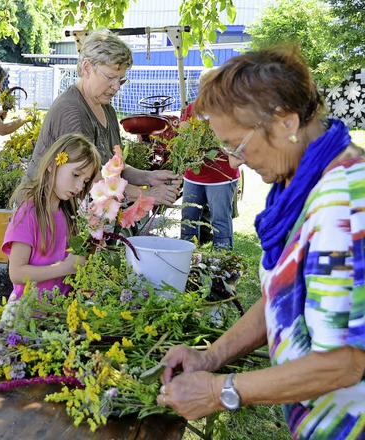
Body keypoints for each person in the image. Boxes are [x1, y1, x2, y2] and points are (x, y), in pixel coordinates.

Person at [157, 46, 365, 440]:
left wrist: (222, 391)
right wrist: (210, 357)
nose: (234, 164)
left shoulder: (346, 202)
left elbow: (343, 363)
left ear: (285, 121)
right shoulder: (301, 182)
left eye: (236, 145)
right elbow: (281, 295)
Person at [24, 29, 181, 206]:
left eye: (121, 80)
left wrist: (149, 178)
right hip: (43, 212)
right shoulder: (71, 111)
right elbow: (91, 180)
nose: (116, 87)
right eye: (110, 78)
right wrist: (147, 194)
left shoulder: (107, 109)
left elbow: (115, 167)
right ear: (87, 68)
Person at [3, 133, 101, 301]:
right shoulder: (28, 213)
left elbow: (78, 264)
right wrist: (64, 268)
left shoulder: (71, 214)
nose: (79, 186)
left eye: (85, 181)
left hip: (59, 313)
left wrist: (93, 241)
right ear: (51, 165)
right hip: (29, 314)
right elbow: (17, 273)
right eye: (76, 175)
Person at [179, 69, 241, 250]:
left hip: (221, 175)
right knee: (188, 218)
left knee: (220, 219)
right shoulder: (193, 108)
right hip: (194, 174)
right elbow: (184, 135)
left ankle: (222, 263)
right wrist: (186, 132)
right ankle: (186, 258)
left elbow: (235, 142)